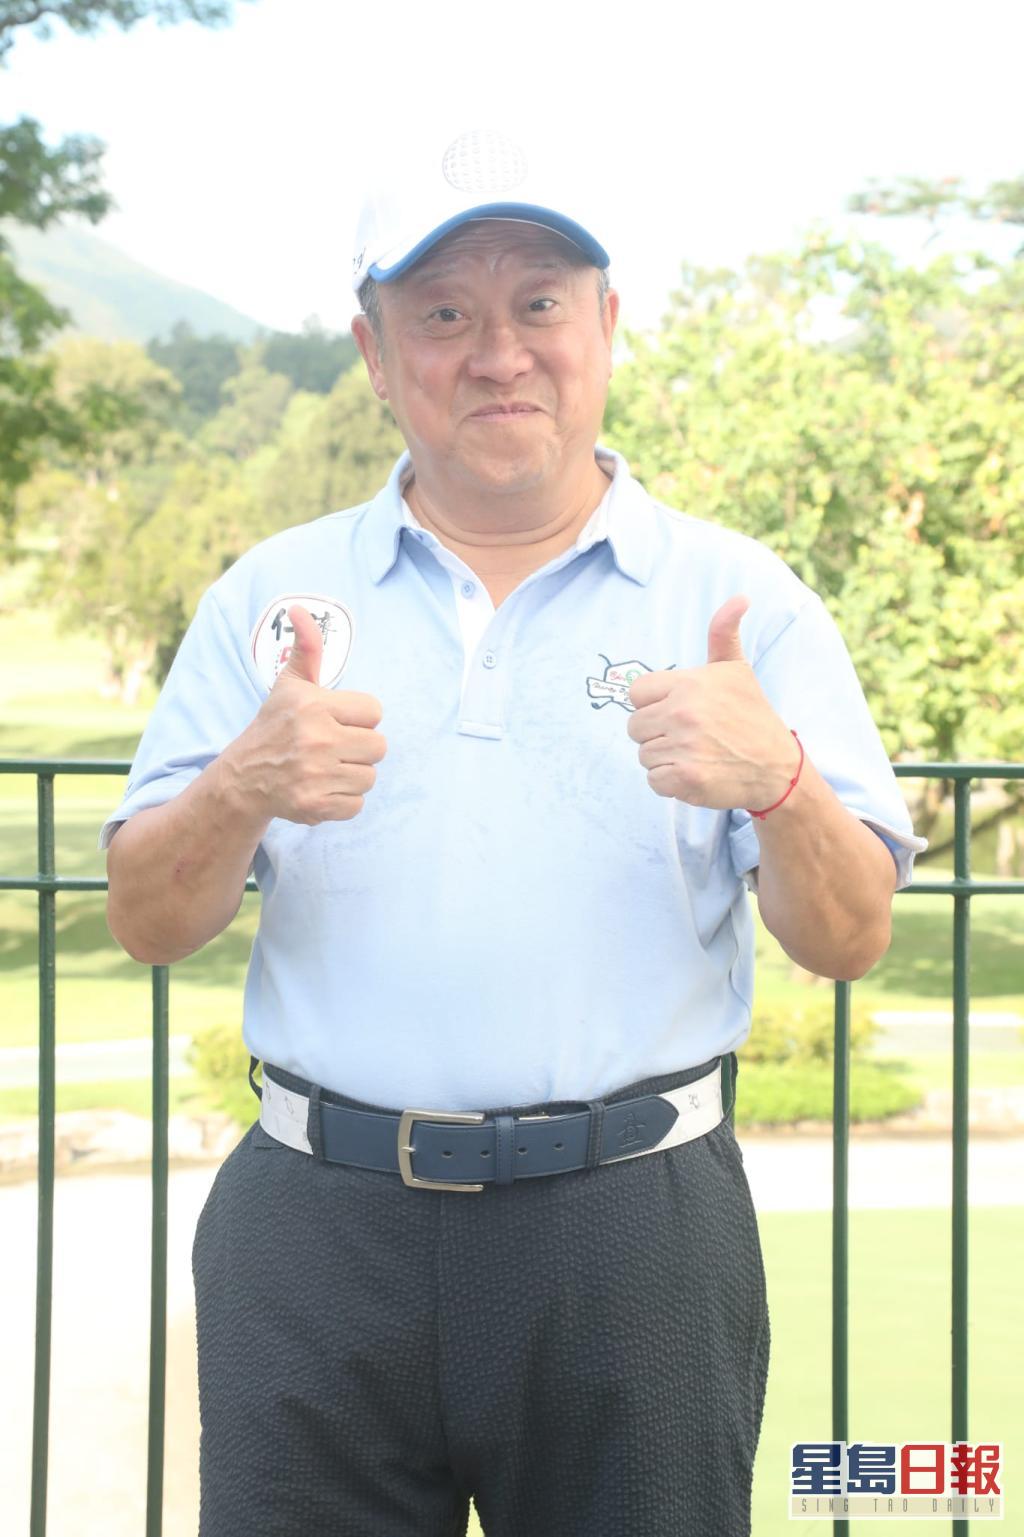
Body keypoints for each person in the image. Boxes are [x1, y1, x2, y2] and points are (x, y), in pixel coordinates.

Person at [102, 127, 928, 1537]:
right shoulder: (268, 596)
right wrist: (239, 785)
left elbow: (849, 939)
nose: (499, 354)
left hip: (635, 1233)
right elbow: (146, 919)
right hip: (317, 1229)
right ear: (374, 353)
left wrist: (781, 781)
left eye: (539, 302)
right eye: (442, 314)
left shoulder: (739, 599)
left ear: (607, 325)